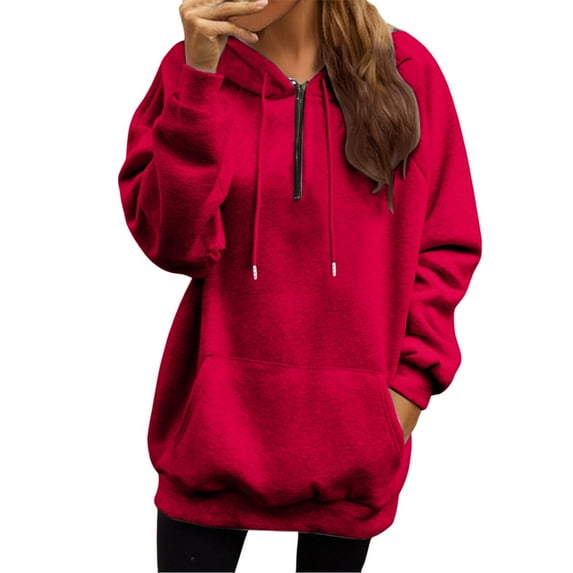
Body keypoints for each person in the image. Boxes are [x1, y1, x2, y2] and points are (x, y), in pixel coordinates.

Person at [117, 0, 482, 571]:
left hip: (353, 450)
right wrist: (199, 81)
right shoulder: (189, 70)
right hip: (211, 444)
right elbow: (172, 243)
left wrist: (406, 395)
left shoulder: (407, 71)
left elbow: (446, 245)